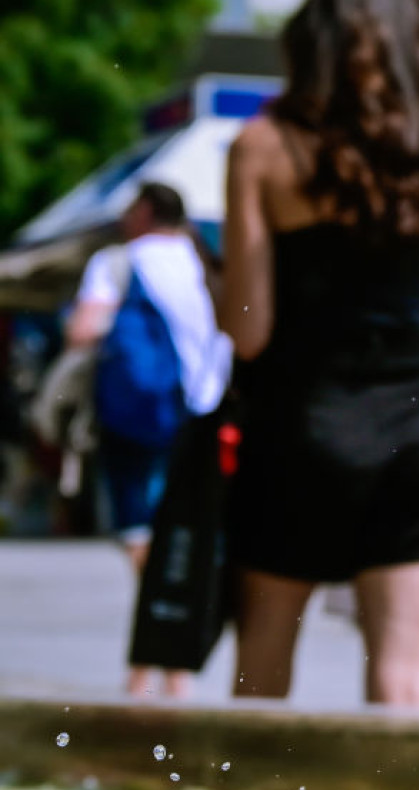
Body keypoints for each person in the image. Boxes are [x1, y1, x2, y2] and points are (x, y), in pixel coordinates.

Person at [220, 0, 419, 708]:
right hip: (416, 439)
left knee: (262, 674)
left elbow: (248, 330)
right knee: (403, 682)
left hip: (299, 430)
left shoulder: (262, 147)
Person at [64, 182, 232, 698]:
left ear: (146, 211)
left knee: (142, 535)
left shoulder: (119, 261)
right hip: (205, 409)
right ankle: (170, 656)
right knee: (184, 527)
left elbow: (82, 329)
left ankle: (158, 657)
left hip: (137, 415)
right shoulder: (205, 257)